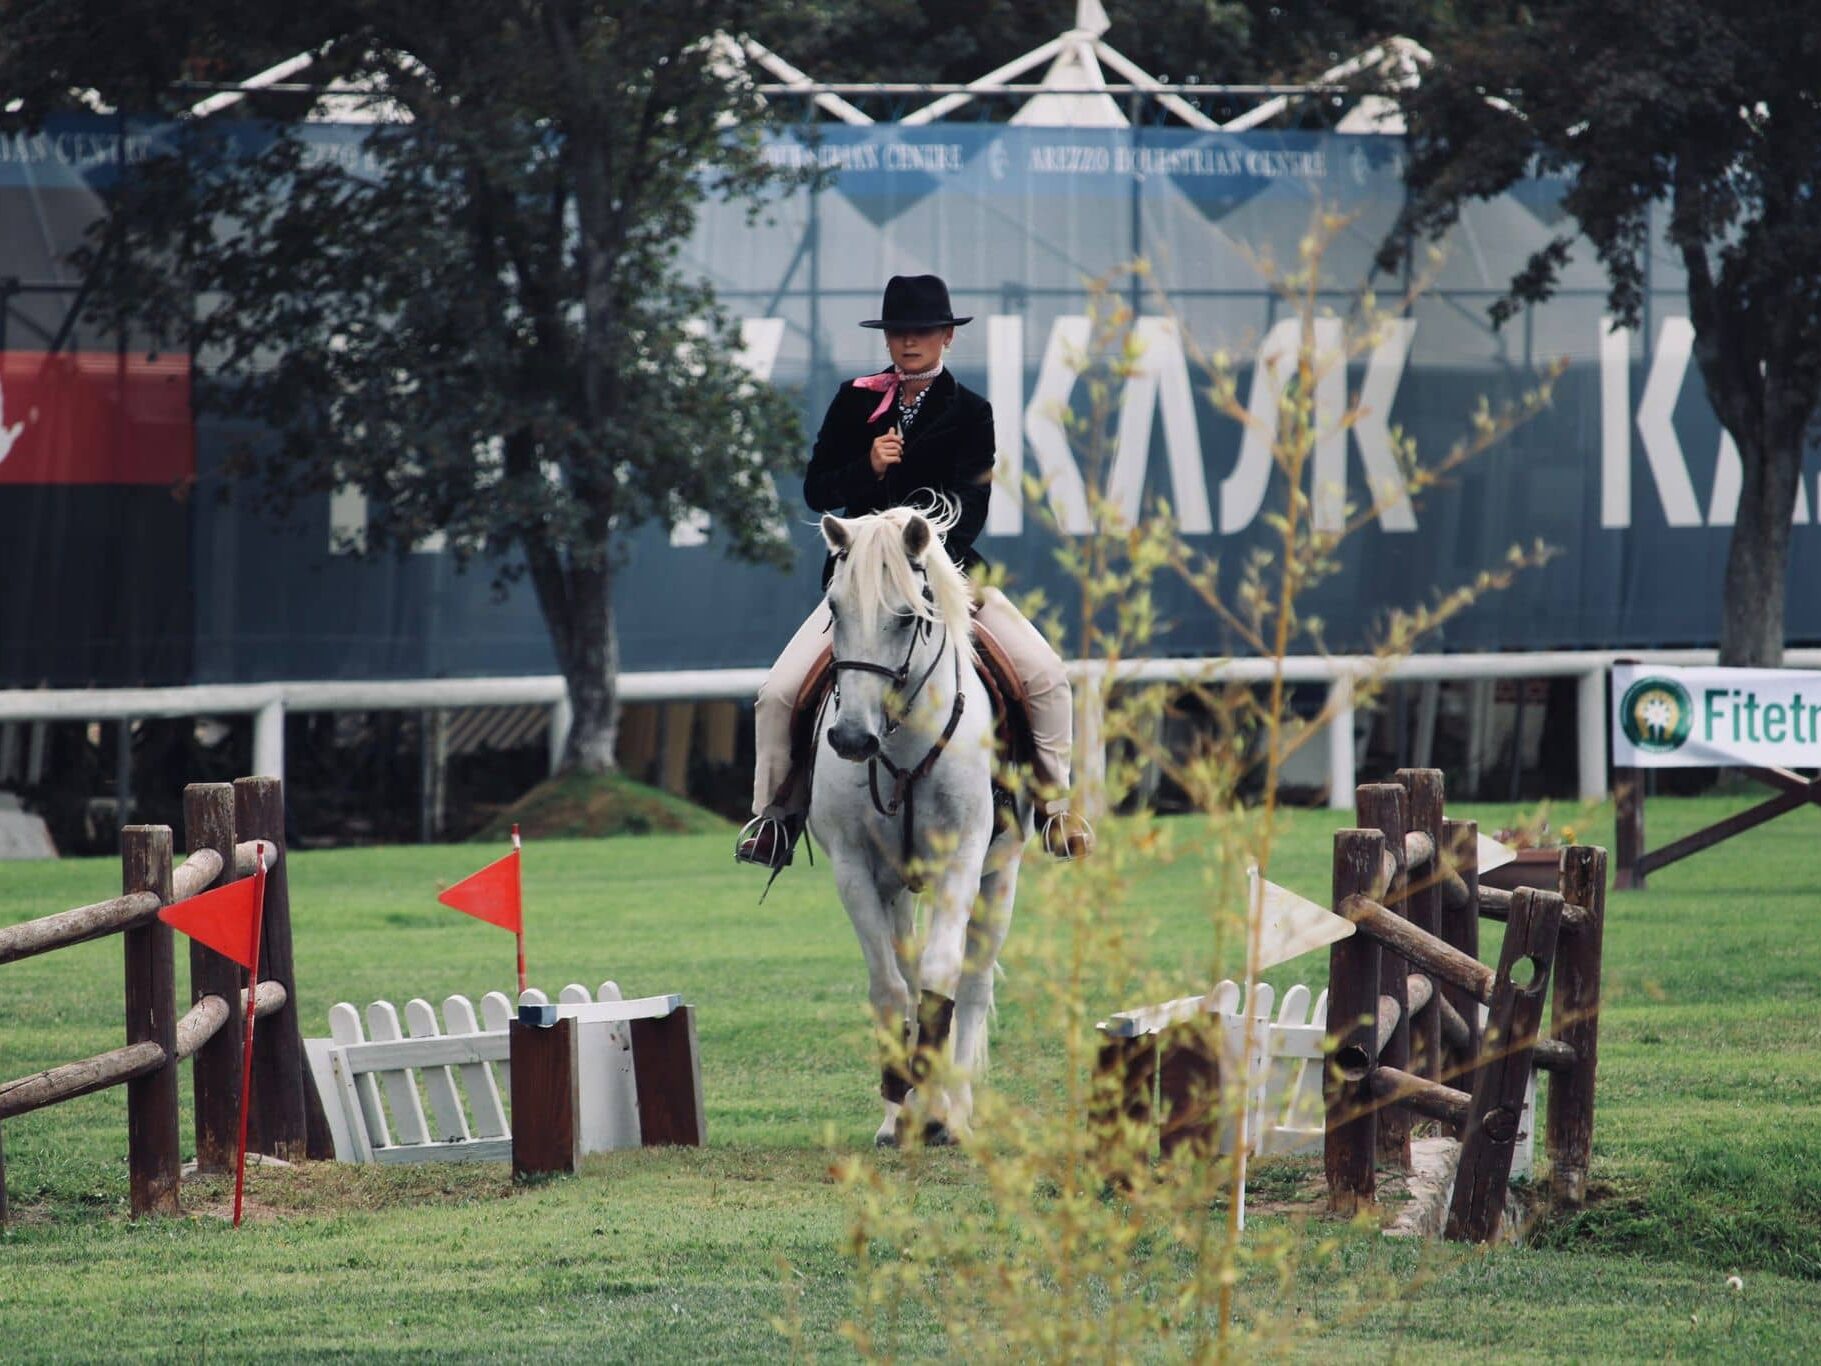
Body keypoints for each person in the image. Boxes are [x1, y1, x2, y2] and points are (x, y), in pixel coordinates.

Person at [736, 273, 1094, 871]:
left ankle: (1056, 807)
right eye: (899, 332)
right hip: (862, 589)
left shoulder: (971, 412)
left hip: (947, 577)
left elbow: (972, 508)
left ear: (947, 336)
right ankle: (774, 819)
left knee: (1046, 675)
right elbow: (817, 489)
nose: (909, 342)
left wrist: (918, 554)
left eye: (923, 331)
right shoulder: (855, 400)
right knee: (776, 694)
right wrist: (867, 467)